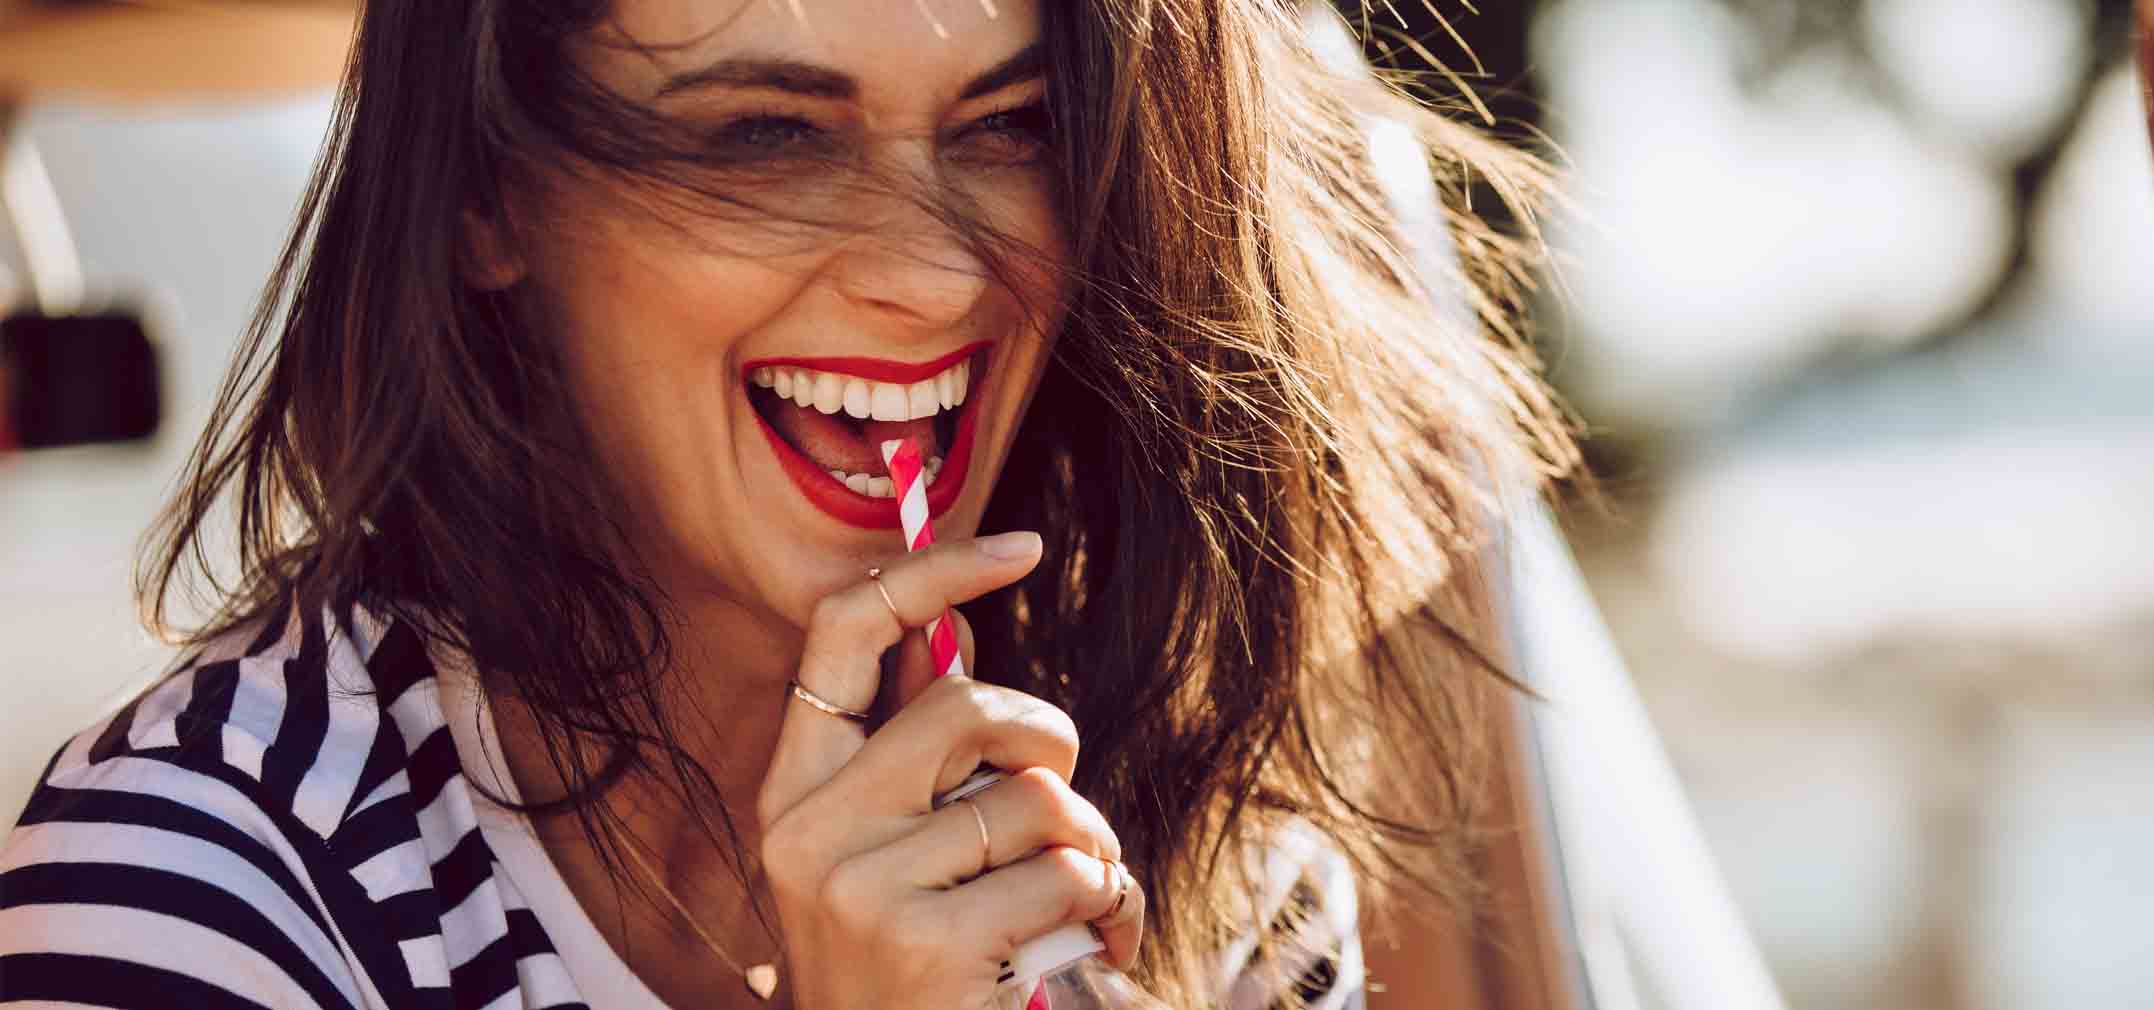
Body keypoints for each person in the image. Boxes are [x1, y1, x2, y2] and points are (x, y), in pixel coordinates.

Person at [0, 0, 1578, 1005]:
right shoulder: (194, 889)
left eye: (1011, 127)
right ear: (486, 198)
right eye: (764, 138)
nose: (934, 272)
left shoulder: (1202, 844)